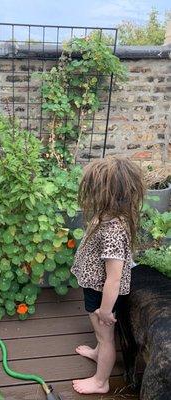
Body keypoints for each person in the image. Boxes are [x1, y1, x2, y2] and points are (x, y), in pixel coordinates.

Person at [71, 156, 144, 395]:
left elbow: (114, 277)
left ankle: (101, 381)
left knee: (106, 337)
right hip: (97, 287)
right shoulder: (111, 214)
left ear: (107, 194)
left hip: (103, 293)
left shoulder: (113, 231)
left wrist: (105, 310)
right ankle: (97, 350)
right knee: (100, 334)